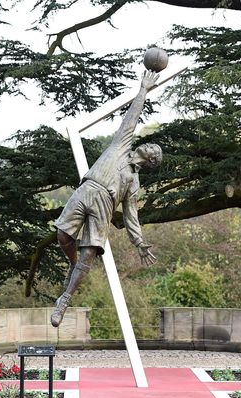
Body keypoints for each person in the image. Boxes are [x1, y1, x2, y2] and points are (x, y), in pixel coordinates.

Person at [51, 70, 163, 327]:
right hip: (88, 189)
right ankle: (72, 262)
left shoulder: (134, 181)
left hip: (105, 207)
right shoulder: (121, 146)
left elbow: (131, 215)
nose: (149, 146)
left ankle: (64, 300)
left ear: (151, 161)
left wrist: (139, 242)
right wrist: (143, 90)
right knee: (62, 236)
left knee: (89, 253)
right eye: (151, 145)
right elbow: (131, 120)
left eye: (154, 150)